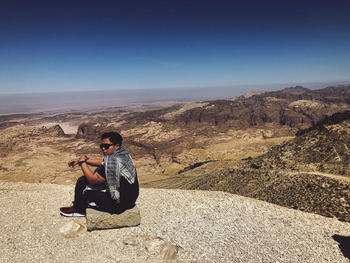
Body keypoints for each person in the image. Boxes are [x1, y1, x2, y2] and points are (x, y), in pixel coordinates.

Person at [60, 131, 139, 217]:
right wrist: (84, 160)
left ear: (117, 146)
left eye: (106, 146)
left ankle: (79, 209)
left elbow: (92, 180)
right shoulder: (123, 155)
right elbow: (102, 162)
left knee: (85, 188)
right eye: (102, 146)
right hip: (130, 200)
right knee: (98, 170)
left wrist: (82, 163)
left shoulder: (112, 164)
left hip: (119, 205)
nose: (103, 149)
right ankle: (95, 202)